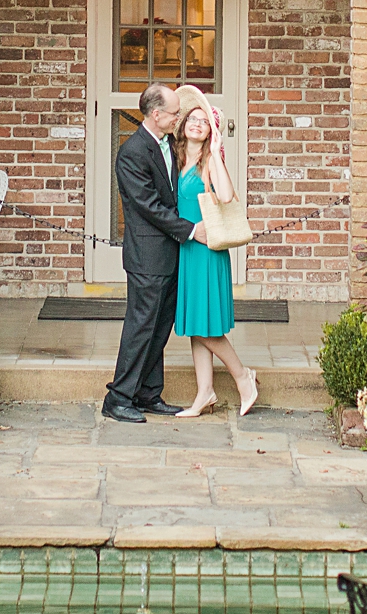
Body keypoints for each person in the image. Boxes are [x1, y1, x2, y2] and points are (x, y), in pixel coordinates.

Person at [103, 82, 209, 423]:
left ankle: (148, 393)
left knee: (160, 327)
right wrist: (192, 230)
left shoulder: (167, 144)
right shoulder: (133, 152)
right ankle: (118, 397)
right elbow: (148, 206)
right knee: (141, 326)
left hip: (169, 253)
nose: (178, 117)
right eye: (175, 112)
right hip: (147, 256)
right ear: (157, 114)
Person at [171, 85, 258, 418]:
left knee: (206, 325)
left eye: (204, 121)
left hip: (207, 250)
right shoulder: (176, 156)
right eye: (192, 119)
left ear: (211, 131)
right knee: (196, 322)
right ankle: (205, 392)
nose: (196, 124)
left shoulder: (209, 161)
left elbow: (225, 196)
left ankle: (242, 376)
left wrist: (218, 151)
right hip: (187, 246)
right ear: (184, 125)